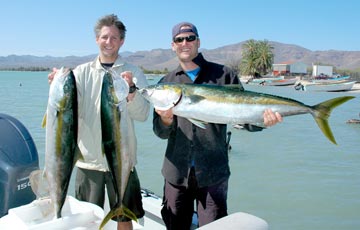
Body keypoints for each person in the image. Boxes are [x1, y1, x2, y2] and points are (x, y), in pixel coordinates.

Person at [152, 22, 283, 229]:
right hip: (176, 173)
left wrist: (262, 121)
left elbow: (243, 118)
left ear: (198, 42)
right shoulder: (165, 83)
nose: (185, 43)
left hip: (213, 173)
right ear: (173, 45)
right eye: (179, 39)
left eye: (190, 38)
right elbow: (159, 132)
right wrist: (166, 120)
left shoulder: (224, 75)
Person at [48, 14, 150, 230]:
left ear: (122, 41)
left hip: (123, 161)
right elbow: (69, 112)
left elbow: (142, 115)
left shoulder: (134, 72)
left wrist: (131, 92)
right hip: (87, 162)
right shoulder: (80, 73)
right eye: (104, 37)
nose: (109, 42)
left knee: (124, 220)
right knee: (86, 223)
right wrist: (56, 84)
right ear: (96, 39)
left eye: (115, 37)